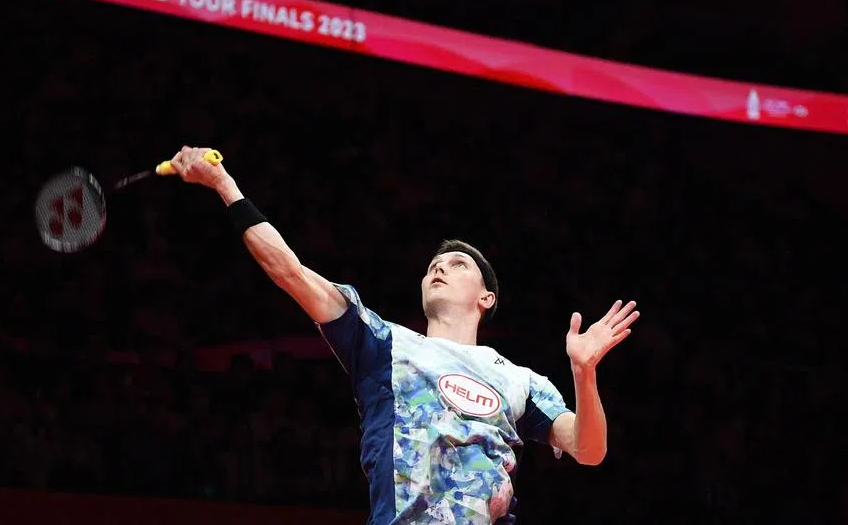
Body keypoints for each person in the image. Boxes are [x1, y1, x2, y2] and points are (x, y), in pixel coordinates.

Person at [169, 147, 640, 524]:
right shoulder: (381, 342)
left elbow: (590, 449)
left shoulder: (521, 381)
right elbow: (289, 272)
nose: (440, 266)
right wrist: (224, 185)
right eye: (435, 264)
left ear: (486, 298)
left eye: (459, 265)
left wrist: (584, 371)